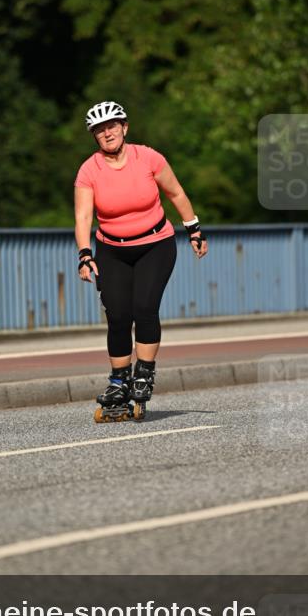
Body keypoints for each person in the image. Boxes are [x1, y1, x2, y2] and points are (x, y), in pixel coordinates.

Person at [74, 100, 208, 422]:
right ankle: (119, 381)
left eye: (112, 126)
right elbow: (83, 217)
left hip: (156, 245)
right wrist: (84, 254)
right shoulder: (89, 170)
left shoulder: (148, 157)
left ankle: (144, 373)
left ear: (124, 128)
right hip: (112, 249)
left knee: (144, 308)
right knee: (118, 315)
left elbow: (176, 193)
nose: (107, 133)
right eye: (99, 130)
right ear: (94, 136)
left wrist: (194, 230)